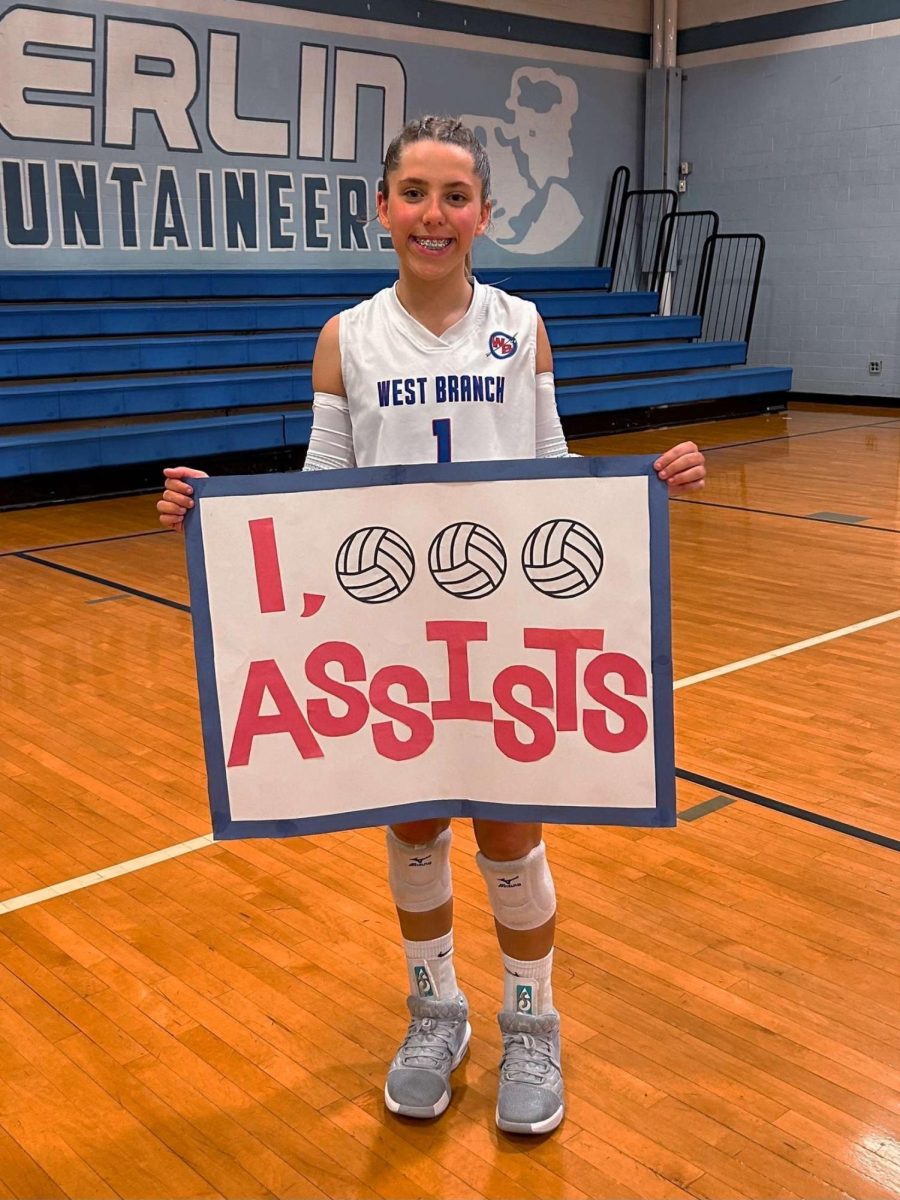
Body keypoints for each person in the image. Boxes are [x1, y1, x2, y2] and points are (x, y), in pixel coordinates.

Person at [158, 115, 706, 1136]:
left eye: (456, 197)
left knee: (509, 829)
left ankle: (532, 1025)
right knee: (413, 827)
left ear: (485, 215)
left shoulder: (522, 323)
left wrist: (645, 487)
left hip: (502, 622)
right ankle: (435, 1011)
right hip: (393, 631)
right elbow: (320, 493)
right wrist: (215, 513)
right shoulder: (346, 337)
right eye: (414, 192)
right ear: (382, 208)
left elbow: (550, 470)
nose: (434, 214)